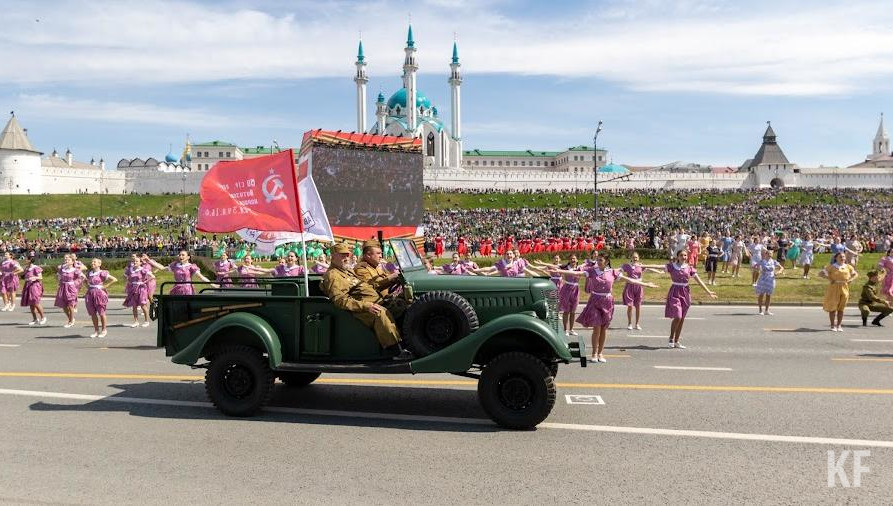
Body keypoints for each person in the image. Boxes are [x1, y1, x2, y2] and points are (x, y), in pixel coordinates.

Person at [555, 255, 656, 363]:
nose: (598, 262)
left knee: (604, 329)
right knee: (597, 328)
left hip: (608, 302)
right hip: (595, 301)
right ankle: (594, 353)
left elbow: (630, 280)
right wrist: (558, 270)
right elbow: (577, 273)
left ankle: (600, 353)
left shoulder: (612, 272)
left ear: (607, 261)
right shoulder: (593, 271)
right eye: (598, 260)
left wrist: (645, 284)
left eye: (600, 260)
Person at [320, 243, 412, 360]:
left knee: (404, 306)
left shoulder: (346, 271)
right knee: (380, 312)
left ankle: (412, 342)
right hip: (359, 309)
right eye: (342, 255)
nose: (346, 258)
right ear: (333, 257)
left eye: (347, 255)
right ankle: (395, 351)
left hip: (373, 302)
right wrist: (366, 306)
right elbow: (340, 300)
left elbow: (368, 286)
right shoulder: (333, 275)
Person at [662, 249, 717, 348]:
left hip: (685, 293)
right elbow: (658, 267)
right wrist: (641, 266)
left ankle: (677, 341)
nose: (684, 257)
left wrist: (708, 292)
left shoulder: (689, 268)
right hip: (675, 291)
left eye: (685, 255)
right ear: (678, 257)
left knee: (682, 318)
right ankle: (671, 338)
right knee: (678, 316)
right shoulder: (672, 266)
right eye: (682, 255)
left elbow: (699, 280)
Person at [620, 252, 663, 330]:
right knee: (630, 306)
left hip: (639, 286)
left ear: (638, 258)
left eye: (636, 257)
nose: (635, 259)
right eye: (633, 257)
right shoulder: (627, 266)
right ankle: (629, 323)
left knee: (638, 306)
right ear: (631, 258)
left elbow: (649, 269)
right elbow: (619, 270)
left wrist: (659, 272)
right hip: (630, 286)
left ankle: (637, 324)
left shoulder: (640, 265)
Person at [818, 252, 858, 332]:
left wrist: (850, 280)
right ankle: (832, 325)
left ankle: (839, 325)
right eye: (840, 257)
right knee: (833, 307)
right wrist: (829, 279)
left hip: (844, 287)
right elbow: (820, 273)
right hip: (834, 287)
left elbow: (855, 274)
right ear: (836, 258)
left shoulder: (848, 266)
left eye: (843, 257)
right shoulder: (832, 267)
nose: (842, 258)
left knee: (841, 308)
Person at [145, 250, 212, 295]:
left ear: (188, 257)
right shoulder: (175, 265)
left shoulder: (191, 266)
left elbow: (201, 277)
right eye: (180, 255)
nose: (180, 256)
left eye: (183, 255)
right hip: (177, 288)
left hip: (188, 289)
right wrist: (149, 260)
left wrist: (212, 284)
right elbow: (162, 268)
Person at [85, 258, 117, 337]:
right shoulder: (89, 273)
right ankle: (96, 330)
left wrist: (105, 286)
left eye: (94, 262)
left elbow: (114, 279)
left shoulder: (102, 273)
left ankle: (104, 330)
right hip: (90, 293)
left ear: (99, 264)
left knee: (101, 312)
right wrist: (88, 287)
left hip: (99, 294)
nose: (92, 263)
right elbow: (85, 281)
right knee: (93, 313)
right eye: (92, 262)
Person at [55, 254, 85, 328]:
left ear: (72, 262)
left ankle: (70, 321)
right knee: (64, 305)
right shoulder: (62, 269)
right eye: (66, 259)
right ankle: (71, 318)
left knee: (70, 305)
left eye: (68, 260)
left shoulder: (75, 270)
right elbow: (57, 275)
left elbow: (82, 277)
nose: (66, 261)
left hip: (71, 288)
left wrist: (75, 283)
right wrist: (59, 281)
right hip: (63, 287)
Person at [123, 256, 153, 327]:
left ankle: (146, 321)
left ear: (140, 263)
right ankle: (136, 321)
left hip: (141, 288)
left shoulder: (143, 269)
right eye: (134, 261)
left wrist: (144, 282)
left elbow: (152, 276)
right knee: (134, 305)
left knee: (143, 305)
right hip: (133, 288)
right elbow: (125, 275)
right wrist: (128, 282)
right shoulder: (130, 270)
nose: (135, 262)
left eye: (137, 261)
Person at [754, 249, 784, 315]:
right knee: (761, 294)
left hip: (771, 279)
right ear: (766, 254)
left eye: (771, 254)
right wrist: (758, 270)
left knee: (769, 295)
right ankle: (760, 310)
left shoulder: (774, 261)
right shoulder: (762, 261)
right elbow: (755, 266)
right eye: (768, 254)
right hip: (763, 279)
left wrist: (778, 272)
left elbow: (781, 268)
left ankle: (767, 310)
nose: (770, 255)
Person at [20, 254, 46, 326]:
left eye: (26, 259)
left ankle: (43, 318)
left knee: (35, 302)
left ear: (30, 260)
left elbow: (40, 277)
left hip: (35, 286)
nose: (25, 260)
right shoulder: (27, 268)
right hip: (28, 285)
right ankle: (35, 319)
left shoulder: (36, 268)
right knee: (31, 303)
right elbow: (24, 276)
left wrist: (34, 278)